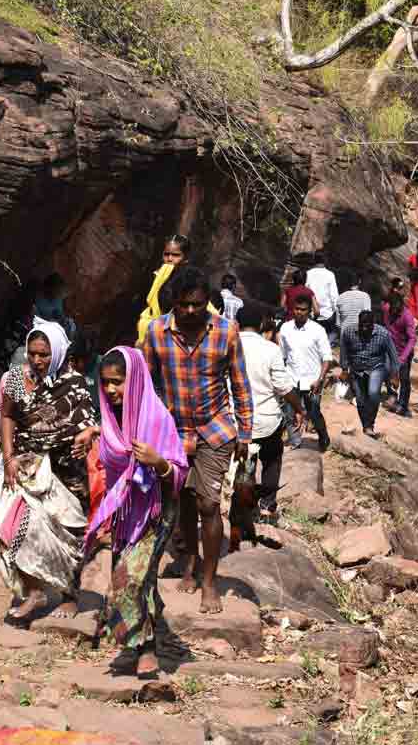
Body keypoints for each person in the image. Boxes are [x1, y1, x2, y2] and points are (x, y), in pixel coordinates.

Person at [143, 267, 253, 615]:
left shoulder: (226, 331)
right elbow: (145, 383)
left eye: (198, 305)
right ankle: (189, 560)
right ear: (174, 302)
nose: (191, 311)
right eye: (184, 304)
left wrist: (245, 433)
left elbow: (240, 383)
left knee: (209, 503)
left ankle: (209, 581)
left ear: (207, 302)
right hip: (173, 431)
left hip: (214, 429)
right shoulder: (156, 332)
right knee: (184, 502)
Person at [75, 348, 188, 679]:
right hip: (126, 513)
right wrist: (95, 432)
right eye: (106, 383)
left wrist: (159, 462)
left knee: (129, 579)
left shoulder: (157, 419)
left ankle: (146, 647)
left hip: (156, 513)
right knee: (140, 579)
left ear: (135, 380)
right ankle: (141, 642)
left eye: (118, 382)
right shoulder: (113, 419)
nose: (111, 390)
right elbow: (118, 446)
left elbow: (179, 474)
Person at [0, 322, 99, 625]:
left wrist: (87, 434)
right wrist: (8, 457)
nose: (37, 360)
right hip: (26, 465)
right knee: (13, 527)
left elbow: (89, 420)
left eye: (44, 354)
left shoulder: (75, 382)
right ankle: (34, 590)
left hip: (66, 469)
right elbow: (7, 414)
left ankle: (69, 594)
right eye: (32, 353)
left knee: (67, 533)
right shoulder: (17, 378)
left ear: (58, 352)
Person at [235, 304, 303, 524]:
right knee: (272, 461)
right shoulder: (270, 349)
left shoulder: (228, 347)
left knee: (246, 465)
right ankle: (267, 507)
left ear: (236, 323)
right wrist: (299, 409)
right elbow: (283, 387)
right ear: (261, 324)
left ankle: (246, 509)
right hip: (267, 421)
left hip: (237, 422)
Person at [279, 294, 332, 452]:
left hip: (311, 380)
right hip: (291, 379)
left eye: (303, 310)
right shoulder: (285, 328)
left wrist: (320, 379)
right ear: (292, 309)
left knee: (313, 412)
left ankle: (323, 437)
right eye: (297, 309)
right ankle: (296, 444)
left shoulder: (318, 330)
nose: (299, 312)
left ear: (309, 311)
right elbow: (282, 355)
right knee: (290, 414)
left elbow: (327, 358)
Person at [339, 311, 397, 439]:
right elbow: (343, 350)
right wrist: (344, 369)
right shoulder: (348, 332)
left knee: (373, 393)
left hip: (376, 367)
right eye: (362, 325)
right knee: (360, 399)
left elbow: (393, 355)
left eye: (368, 325)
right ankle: (366, 426)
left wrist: (394, 374)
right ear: (358, 323)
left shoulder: (383, 334)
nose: (364, 328)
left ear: (373, 324)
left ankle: (370, 424)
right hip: (357, 369)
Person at [381, 293, 417, 418]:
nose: (395, 312)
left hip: (404, 352)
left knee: (404, 379)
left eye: (397, 310)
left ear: (402, 306)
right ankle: (392, 396)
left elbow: (412, 339)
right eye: (393, 309)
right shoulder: (386, 309)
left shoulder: (407, 316)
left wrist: (402, 358)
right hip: (390, 349)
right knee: (386, 371)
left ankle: (403, 405)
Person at [304, 253, 340, 341]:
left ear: (313, 260)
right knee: (326, 341)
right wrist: (336, 313)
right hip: (328, 314)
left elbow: (305, 293)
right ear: (325, 261)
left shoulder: (308, 274)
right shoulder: (330, 274)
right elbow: (334, 296)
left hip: (312, 314)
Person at [334, 273, 372, 348]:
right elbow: (368, 318)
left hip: (345, 336)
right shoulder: (365, 296)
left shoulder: (340, 298)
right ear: (359, 281)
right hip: (360, 335)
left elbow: (338, 324)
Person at [36, 273, 77, 339]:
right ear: (49, 288)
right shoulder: (38, 301)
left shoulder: (59, 299)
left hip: (59, 329)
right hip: (45, 331)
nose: (59, 292)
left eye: (60, 290)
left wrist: (65, 320)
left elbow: (63, 315)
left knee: (71, 325)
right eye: (57, 289)